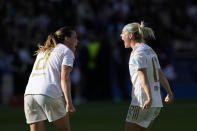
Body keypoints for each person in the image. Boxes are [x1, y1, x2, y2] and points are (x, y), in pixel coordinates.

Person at [120, 22, 173, 131]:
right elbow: (160, 74)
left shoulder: (137, 53)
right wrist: (169, 93)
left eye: (123, 33)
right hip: (156, 101)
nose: (121, 36)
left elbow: (143, 77)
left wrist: (149, 98)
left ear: (130, 36)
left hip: (142, 101)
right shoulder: (149, 50)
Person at [24, 26, 78, 131]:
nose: (77, 41)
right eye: (75, 37)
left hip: (29, 94)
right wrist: (69, 102)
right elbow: (65, 77)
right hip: (48, 91)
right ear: (66, 39)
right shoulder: (66, 51)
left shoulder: (44, 50)